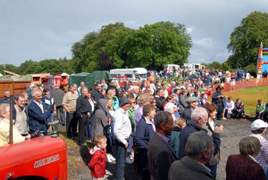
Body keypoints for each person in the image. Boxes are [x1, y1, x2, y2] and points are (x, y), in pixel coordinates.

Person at [148, 111, 176, 180]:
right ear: (162, 126)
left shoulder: (156, 138)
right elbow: (163, 174)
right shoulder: (160, 148)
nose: (173, 126)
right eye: (171, 124)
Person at [134, 104, 156, 180]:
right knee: (146, 172)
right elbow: (138, 139)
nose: (155, 113)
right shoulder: (142, 124)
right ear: (148, 113)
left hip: (150, 151)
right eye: (154, 111)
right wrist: (148, 147)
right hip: (145, 152)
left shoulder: (151, 121)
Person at [113, 97, 132, 180]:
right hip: (121, 141)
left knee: (121, 160)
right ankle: (119, 177)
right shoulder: (119, 114)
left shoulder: (124, 112)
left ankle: (120, 175)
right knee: (121, 161)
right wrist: (124, 141)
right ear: (123, 104)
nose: (129, 106)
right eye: (128, 104)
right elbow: (116, 131)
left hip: (124, 139)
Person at [204, 103, 223, 179]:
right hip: (210, 158)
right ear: (209, 113)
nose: (216, 112)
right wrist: (216, 133)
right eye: (214, 111)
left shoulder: (212, 122)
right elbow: (211, 143)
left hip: (214, 157)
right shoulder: (205, 126)